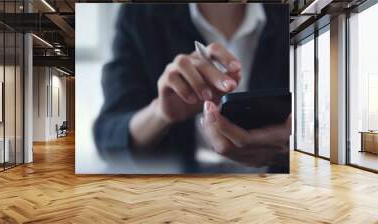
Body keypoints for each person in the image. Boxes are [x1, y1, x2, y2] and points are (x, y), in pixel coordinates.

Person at [94, 3, 290, 173]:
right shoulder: (139, 15)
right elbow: (108, 137)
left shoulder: (291, 15)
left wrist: (294, 146)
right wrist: (160, 113)